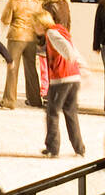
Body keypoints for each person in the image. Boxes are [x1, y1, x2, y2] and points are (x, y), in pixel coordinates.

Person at [36, 10, 86, 157]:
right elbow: (73, 48)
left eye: (35, 25)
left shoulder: (51, 33)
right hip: (73, 78)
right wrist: (81, 66)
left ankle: (53, 148)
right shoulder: (61, 30)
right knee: (70, 113)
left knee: (52, 112)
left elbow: (69, 51)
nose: (34, 28)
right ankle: (79, 148)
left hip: (61, 80)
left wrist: (69, 58)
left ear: (41, 23)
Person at [0, 0, 45, 110]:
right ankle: (35, 99)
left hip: (16, 37)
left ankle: (9, 100)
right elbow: (41, 21)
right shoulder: (37, 3)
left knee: (12, 68)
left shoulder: (14, 1)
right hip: (31, 38)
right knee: (31, 68)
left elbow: (5, 19)